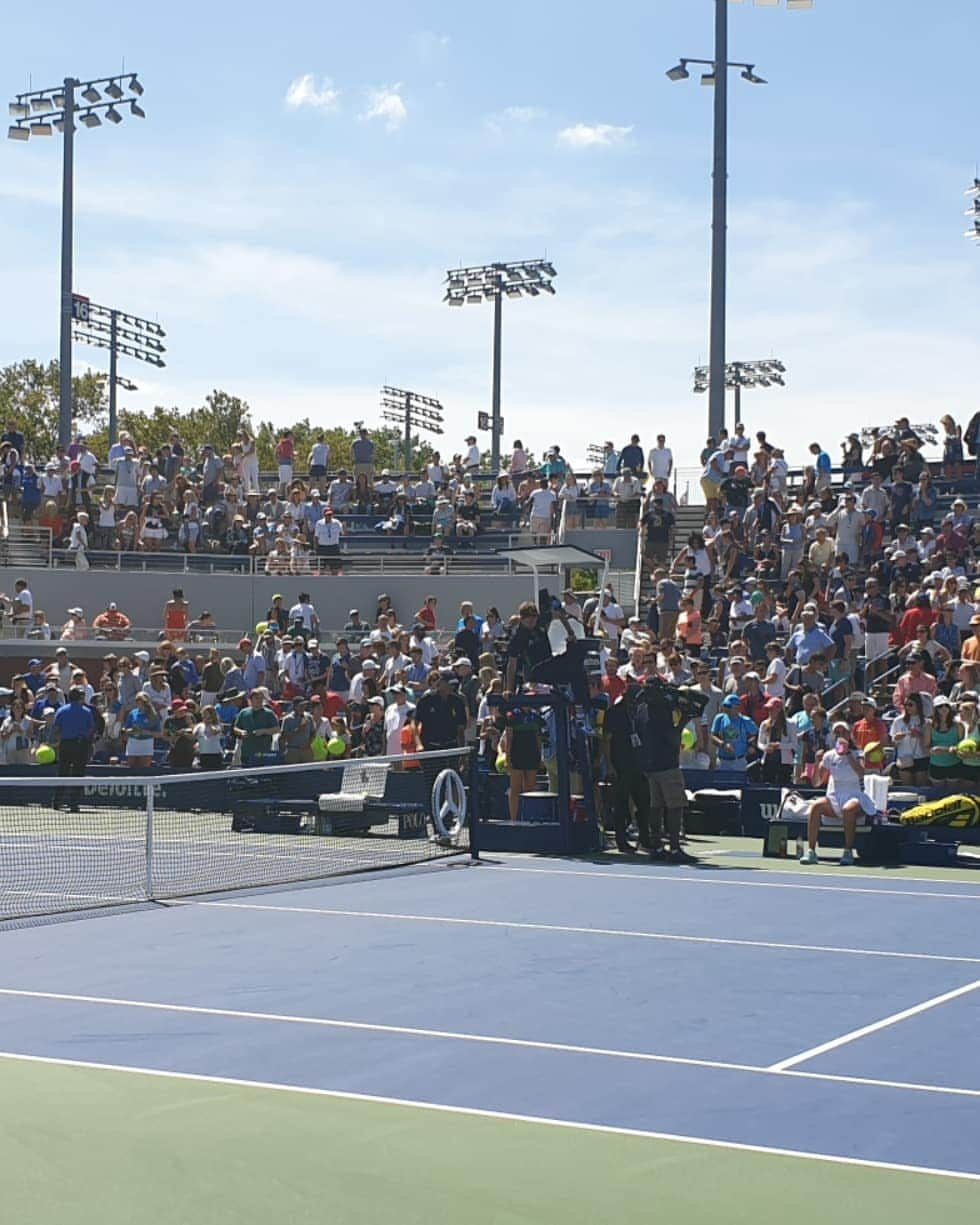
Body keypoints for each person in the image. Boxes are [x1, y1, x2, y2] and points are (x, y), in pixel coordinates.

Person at [801, 722, 877, 866]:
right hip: (834, 798)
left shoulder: (858, 754)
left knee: (848, 810)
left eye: (843, 732)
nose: (840, 736)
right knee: (816, 807)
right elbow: (817, 783)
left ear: (849, 735)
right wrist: (817, 763)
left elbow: (861, 773)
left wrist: (848, 754)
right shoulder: (829, 756)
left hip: (855, 796)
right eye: (837, 733)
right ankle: (811, 851)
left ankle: (848, 851)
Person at [634, 679, 694, 862]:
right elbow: (673, 738)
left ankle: (657, 846)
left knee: (656, 806)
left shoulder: (641, 709)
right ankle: (675, 848)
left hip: (649, 764)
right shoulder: (662, 710)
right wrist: (685, 719)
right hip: (666, 764)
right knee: (675, 805)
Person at [602, 681, 652, 853]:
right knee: (621, 805)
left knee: (644, 802)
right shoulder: (613, 713)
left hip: (638, 764)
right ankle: (621, 840)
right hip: (620, 764)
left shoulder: (639, 713)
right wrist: (609, 766)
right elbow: (606, 740)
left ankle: (644, 838)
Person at [51, 686, 96, 810]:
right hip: (80, 745)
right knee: (78, 774)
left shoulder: (61, 710)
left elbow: (56, 729)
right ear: (80, 697)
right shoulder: (86, 711)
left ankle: (57, 801)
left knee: (62, 772)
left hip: (66, 745)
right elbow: (91, 729)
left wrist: (62, 738)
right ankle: (73, 804)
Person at [497, 705, 544, 822]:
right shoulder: (512, 715)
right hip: (516, 754)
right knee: (515, 788)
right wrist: (508, 759)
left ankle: (528, 818)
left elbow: (538, 737)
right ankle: (514, 820)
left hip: (532, 754)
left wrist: (540, 757)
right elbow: (509, 738)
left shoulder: (536, 716)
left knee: (530, 787)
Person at [710, 693, 758, 773]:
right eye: (725, 706)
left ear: (737, 708)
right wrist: (723, 744)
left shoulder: (745, 721)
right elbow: (713, 736)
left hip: (739, 761)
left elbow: (756, 734)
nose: (726, 709)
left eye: (729, 707)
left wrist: (751, 745)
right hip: (722, 761)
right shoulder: (719, 718)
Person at [233, 687, 280, 766]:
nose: (260, 700)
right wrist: (241, 732)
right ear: (251, 700)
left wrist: (264, 731)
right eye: (257, 698)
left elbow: (277, 729)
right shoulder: (244, 712)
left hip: (262, 752)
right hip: (246, 751)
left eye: (261, 698)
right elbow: (235, 728)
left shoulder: (269, 713)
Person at [123, 692, 163, 768]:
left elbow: (159, 734)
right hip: (133, 742)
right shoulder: (132, 713)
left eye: (141, 701)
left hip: (146, 742)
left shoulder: (154, 715)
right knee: (131, 766)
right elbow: (126, 729)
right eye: (137, 700)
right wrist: (131, 731)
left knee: (144, 767)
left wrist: (146, 732)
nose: (138, 702)